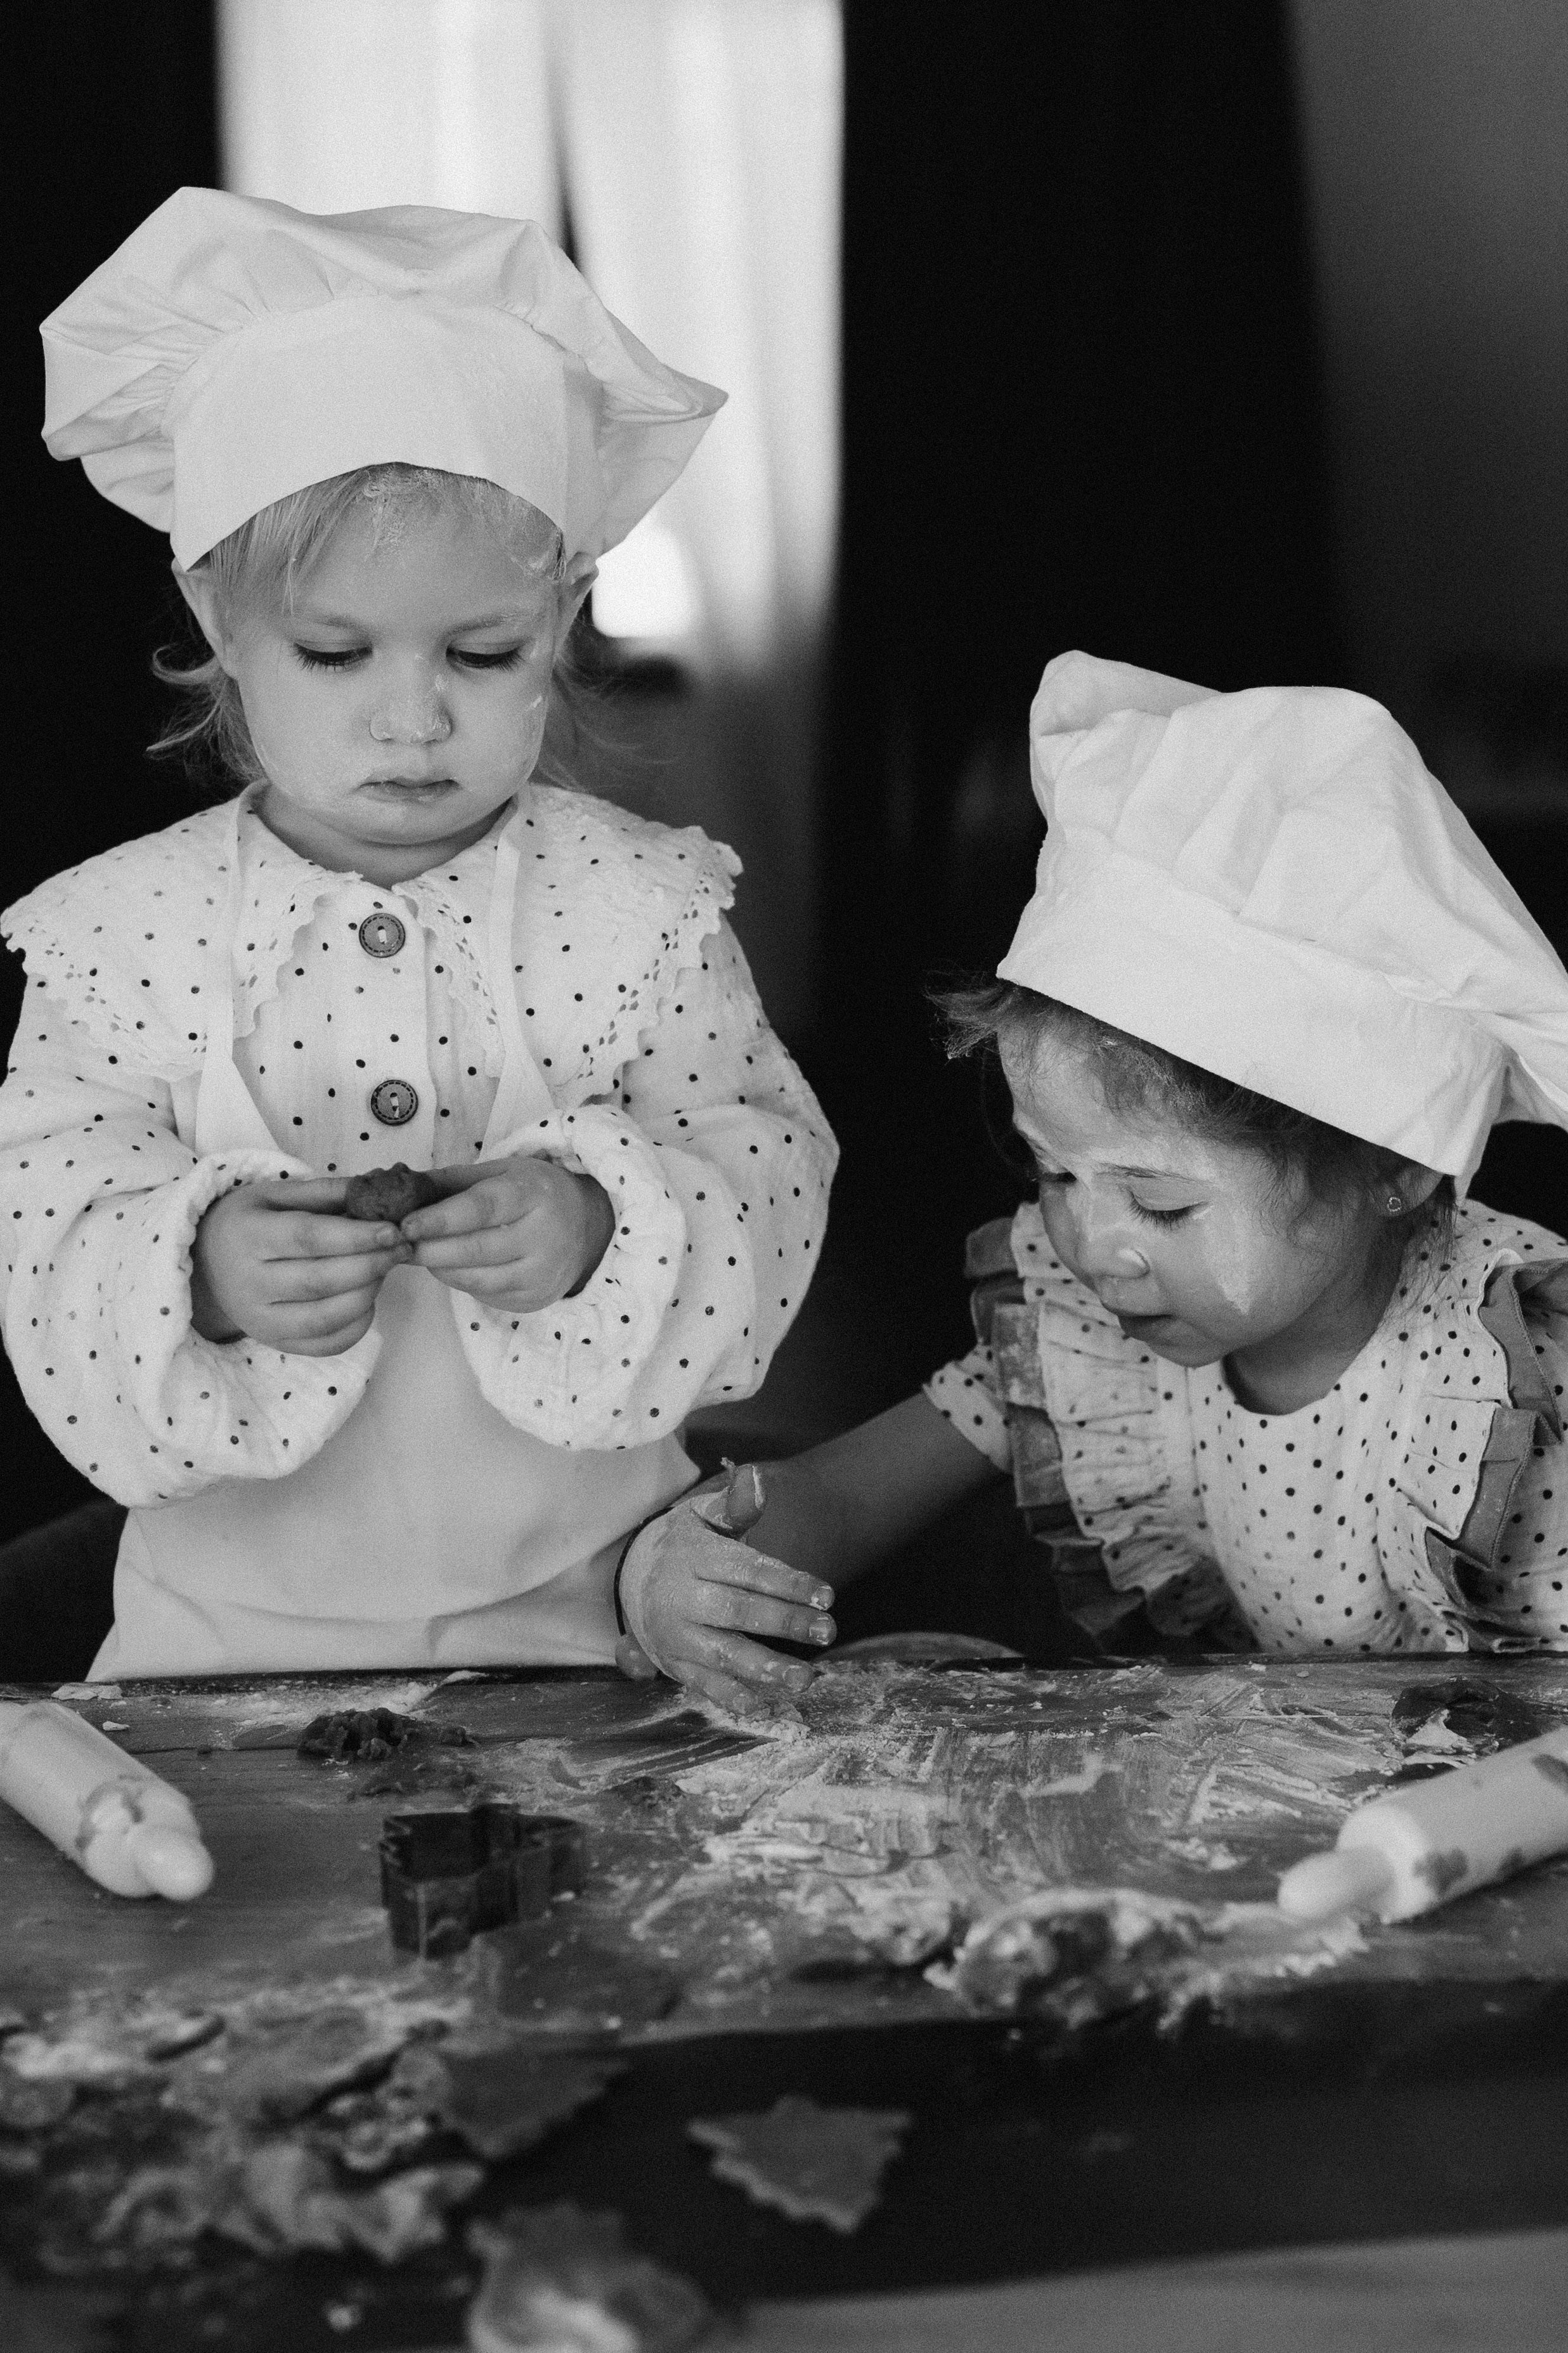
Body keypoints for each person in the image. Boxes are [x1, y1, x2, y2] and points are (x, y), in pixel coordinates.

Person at [0, 188, 837, 1680]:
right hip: (217, 1661)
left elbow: (765, 1167)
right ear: (218, 614)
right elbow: (45, 1231)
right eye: (336, 652)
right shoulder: (116, 939)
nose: (413, 717)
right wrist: (195, 1269)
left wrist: (599, 1224)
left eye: (482, 651)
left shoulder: (643, 911)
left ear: (563, 614)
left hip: (597, 1633)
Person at [616, 651, 1568, 1714]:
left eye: (1160, 1203)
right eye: (1054, 1171)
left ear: (1392, 1164)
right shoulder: (1106, 1336)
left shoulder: (1506, 1387)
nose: (1091, 1243)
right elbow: (843, 1494)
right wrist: (693, 1563)